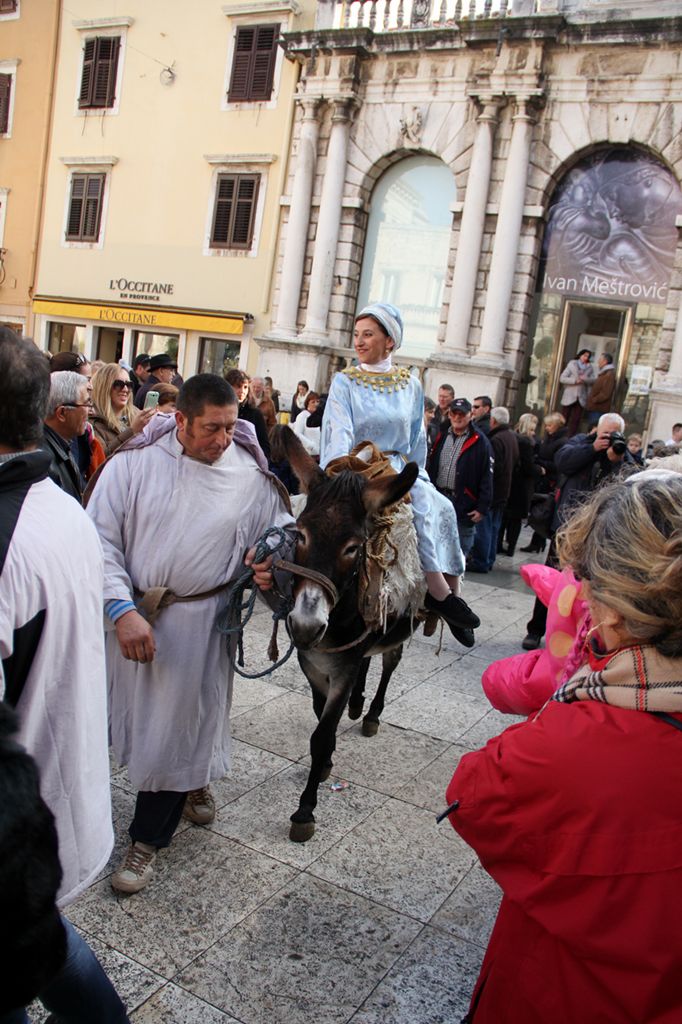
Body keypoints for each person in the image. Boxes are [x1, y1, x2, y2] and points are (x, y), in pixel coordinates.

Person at [445, 470, 682, 1024]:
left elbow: (471, 796)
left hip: (564, 996)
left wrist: (569, 685)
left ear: (613, 605)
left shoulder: (575, 740)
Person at [87, 374, 295, 894]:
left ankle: (146, 841)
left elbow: (281, 531)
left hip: (202, 624)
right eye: (211, 429)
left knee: (178, 726)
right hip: (132, 614)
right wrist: (120, 609)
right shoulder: (133, 464)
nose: (223, 440)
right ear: (180, 419)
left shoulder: (249, 473)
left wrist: (269, 561)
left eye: (230, 427)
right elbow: (97, 540)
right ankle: (194, 778)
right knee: (134, 721)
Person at [0, 328, 127, 1022]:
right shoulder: (59, 505)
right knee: (42, 942)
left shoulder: (11, 531)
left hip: (15, 829)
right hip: (56, 805)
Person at [319, 302, 479, 644]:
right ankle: (439, 592)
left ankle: (452, 596)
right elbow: (338, 430)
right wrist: (340, 473)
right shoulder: (345, 382)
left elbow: (417, 438)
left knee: (441, 506)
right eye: (357, 334)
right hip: (360, 467)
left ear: (389, 341)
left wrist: (417, 473)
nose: (359, 341)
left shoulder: (410, 384)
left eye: (368, 334)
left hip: (398, 466)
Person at [522, 412, 634, 650]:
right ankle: (535, 630)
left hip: (598, 533)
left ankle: (578, 638)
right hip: (567, 527)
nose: (609, 438)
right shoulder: (580, 443)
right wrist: (593, 449)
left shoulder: (623, 454)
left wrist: (615, 460)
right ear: (596, 430)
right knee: (553, 580)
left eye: (614, 434)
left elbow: (628, 483)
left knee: (588, 589)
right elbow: (563, 462)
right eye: (605, 433)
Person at [428, 397, 493, 558]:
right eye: (454, 413)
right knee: (436, 549)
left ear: (470, 415)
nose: (457, 417)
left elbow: (487, 476)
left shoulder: (480, 441)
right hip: (439, 498)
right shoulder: (442, 435)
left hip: (464, 504)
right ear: (449, 414)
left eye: (462, 414)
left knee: (459, 552)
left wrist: (482, 507)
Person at [468, 407, 519, 573]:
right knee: (494, 528)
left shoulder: (497, 439)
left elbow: (493, 468)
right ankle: (488, 559)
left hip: (495, 491)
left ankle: (481, 560)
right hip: (503, 491)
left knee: (485, 528)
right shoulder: (510, 436)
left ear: (493, 421)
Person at [40, 370, 93, 502]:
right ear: (62, 413)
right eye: (86, 403)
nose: (90, 410)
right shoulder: (44, 462)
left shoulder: (61, 445)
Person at [520, 411, 568, 552]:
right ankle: (537, 542)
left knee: (543, 512)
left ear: (557, 426)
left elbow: (557, 464)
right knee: (539, 511)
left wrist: (540, 463)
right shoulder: (549, 439)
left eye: (549, 425)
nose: (546, 428)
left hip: (550, 480)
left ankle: (538, 541)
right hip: (543, 479)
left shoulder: (561, 442)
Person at [91, 363, 155, 457]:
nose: (125, 389)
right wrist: (132, 431)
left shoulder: (137, 414)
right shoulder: (92, 422)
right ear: (104, 387)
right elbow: (101, 458)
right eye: (118, 384)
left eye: (129, 384)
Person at [498, 413, 538, 557]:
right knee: (515, 519)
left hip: (510, 481)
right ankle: (511, 547)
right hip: (521, 485)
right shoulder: (527, 442)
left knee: (504, 517)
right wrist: (539, 470)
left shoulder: (511, 436)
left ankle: (499, 545)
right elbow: (528, 466)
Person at [225, 368, 271, 459]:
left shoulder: (255, 413)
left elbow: (264, 446)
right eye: (238, 386)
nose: (242, 391)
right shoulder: (219, 410)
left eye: (245, 387)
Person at [559, 347, 596, 436]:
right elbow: (562, 378)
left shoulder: (589, 367)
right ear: (580, 355)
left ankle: (571, 436)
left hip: (581, 396)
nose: (586, 358)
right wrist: (575, 381)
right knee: (564, 417)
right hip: (570, 395)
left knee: (576, 419)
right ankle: (561, 435)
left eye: (588, 356)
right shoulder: (572, 364)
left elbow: (593, 380)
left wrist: (585, 379)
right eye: (584, 355)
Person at [585, 351, 616, 426]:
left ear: (605, 361)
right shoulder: (603, 373)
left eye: (600, 360)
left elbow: (606, 393)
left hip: (599, 408)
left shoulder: (609, 374)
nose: (598, 362)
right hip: (595, 407)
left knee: (595, 427)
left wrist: (594, 399)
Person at [292, 390, 321, 456]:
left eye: (318, 402)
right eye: (313, 402)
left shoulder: (319, 417)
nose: (316, 404)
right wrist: (310, 445)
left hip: (319, 454)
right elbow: (297, 433)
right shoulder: (302, 416)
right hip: (307, 454)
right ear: (307, 404)